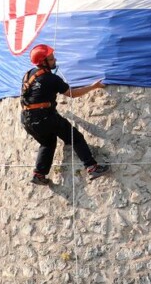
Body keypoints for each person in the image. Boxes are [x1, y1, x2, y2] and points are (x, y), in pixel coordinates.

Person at [20, 43, 109, 185]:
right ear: (43, 62)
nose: (54, 60)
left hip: (27, 119)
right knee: (75, 137)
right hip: (45, 118)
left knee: (47, 143)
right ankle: (92, 167)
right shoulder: (51, 79)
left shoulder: (29, 74)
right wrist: (94, 86)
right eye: (51, 59)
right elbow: (72, 93)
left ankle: (39, 174)